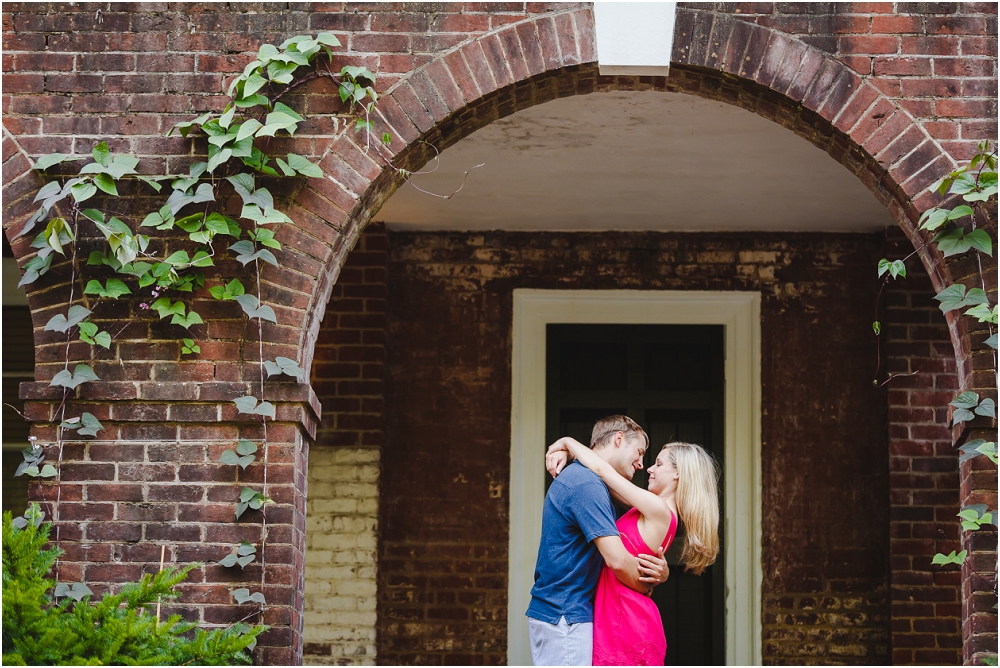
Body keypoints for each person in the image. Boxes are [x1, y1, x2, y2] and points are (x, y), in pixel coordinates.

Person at [546, 438, 720, 666]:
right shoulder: (652, 509)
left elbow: (602, 470)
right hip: (621, 613)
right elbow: (602, 484)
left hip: (624, 619)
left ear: (678, 474)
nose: (649, 468)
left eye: (659, 464)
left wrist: (567, 442)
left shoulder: (657, 509)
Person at [526, 415, 670, 666]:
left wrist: (662, 571)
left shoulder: (590, 481)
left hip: (562, 612)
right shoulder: (587, 485)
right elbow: (616, 560)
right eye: (639, 452)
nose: (641, 463)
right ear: (618, 439)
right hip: (564, 615)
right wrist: (646, 586)